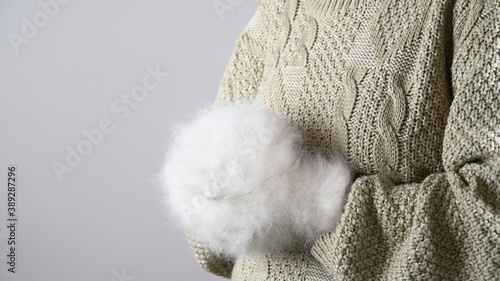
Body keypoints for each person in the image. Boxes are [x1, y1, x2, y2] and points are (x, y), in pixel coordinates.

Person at [185, 0, 499, 279]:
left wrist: (312, 203)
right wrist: (214, 201)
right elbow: (207, 236)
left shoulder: (474, 9)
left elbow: (487, 219)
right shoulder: (277, 8)